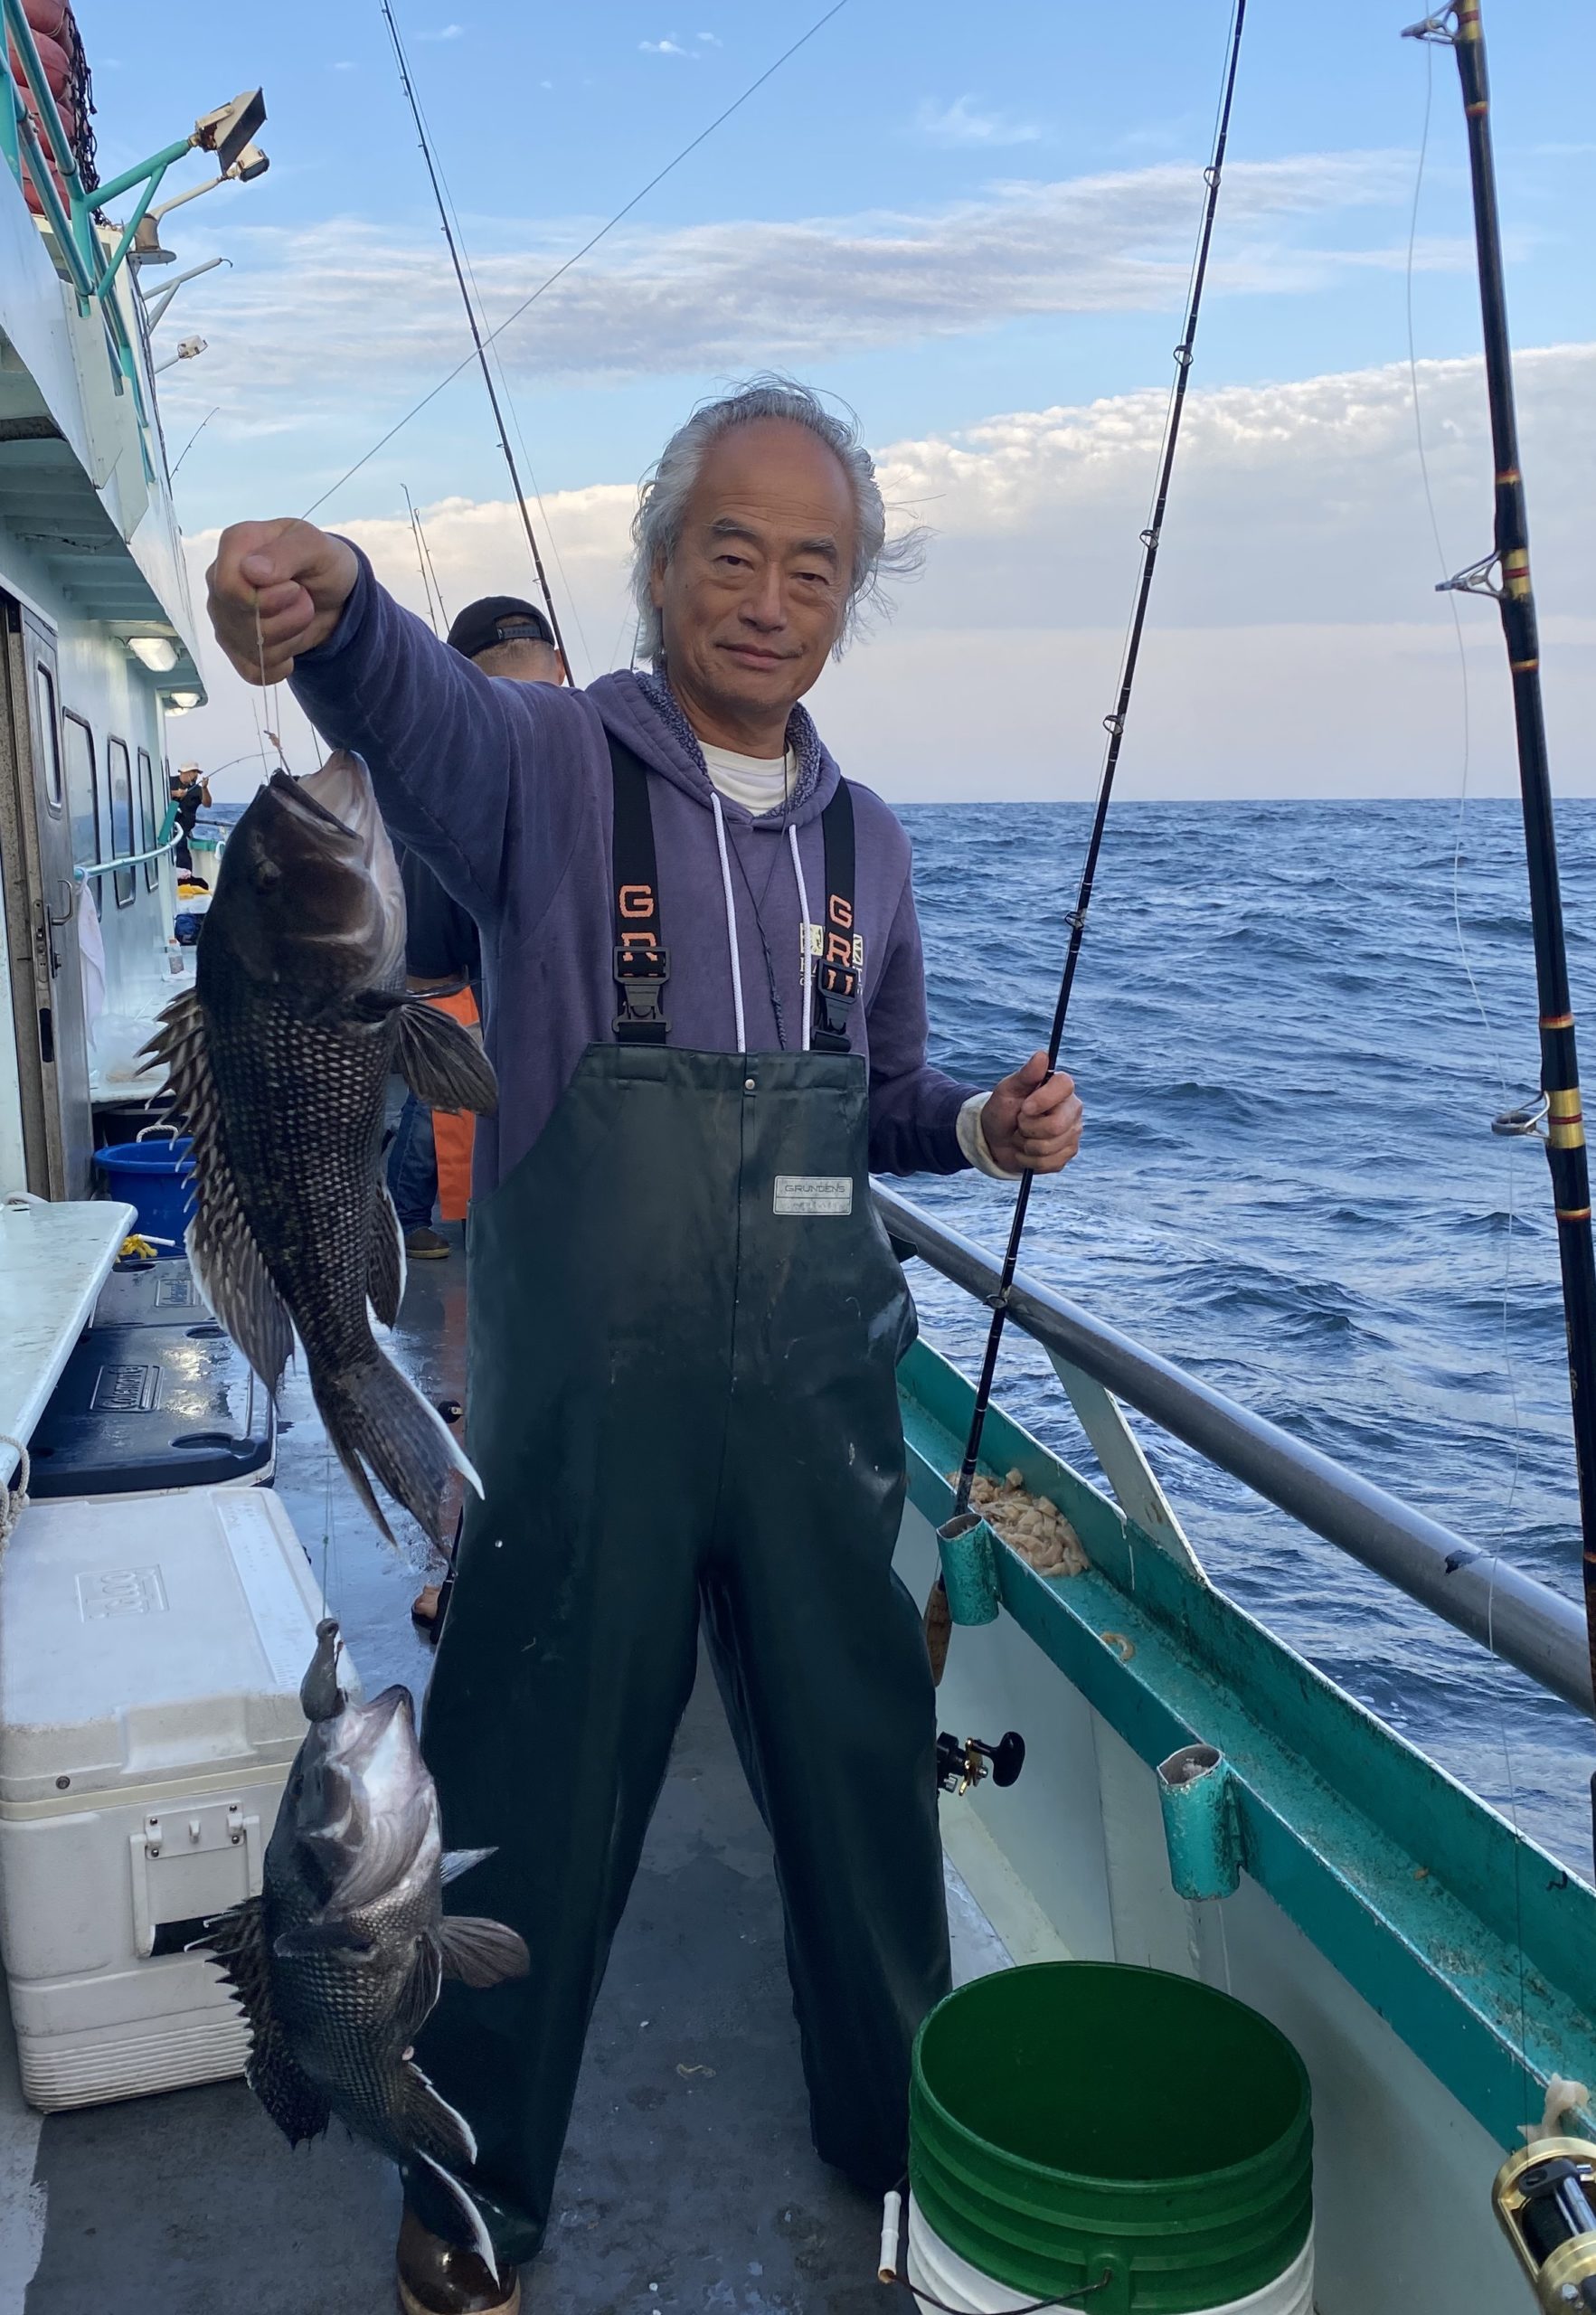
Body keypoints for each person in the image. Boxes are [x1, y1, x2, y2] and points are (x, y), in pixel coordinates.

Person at [205, 377, 1083, 2315]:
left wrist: (978, 1128)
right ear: (663, 561)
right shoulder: (542, 765)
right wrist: (335, 600)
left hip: (819, 1404)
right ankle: (470, 2180)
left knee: (862, 1772)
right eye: (731, 550)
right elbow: (409, 710)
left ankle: (903, 2140)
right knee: (528, 1772)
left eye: (814, 564)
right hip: (589, 1407)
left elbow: (876, 1089)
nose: (768, 595)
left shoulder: (871, 837)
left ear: (851, 597)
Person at [388, 597, 565, 1261]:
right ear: (562, 666)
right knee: (437, 1102)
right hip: (505, 981)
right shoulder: (595, 757)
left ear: (455, 677)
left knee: (436, 1095)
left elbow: (424, 953)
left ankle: (416, 1218)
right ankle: (410, 1218)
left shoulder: (440, 762)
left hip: (450, 969)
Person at [168, 761, 211, 874]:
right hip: (168, 828)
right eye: (194, 772)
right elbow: (157, 791)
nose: (196, 775)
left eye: (197, 772)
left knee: (184, 861)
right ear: (184, 772)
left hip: (184, 832)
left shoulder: (197, 789)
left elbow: (207, 804)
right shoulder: (169, 781)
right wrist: (175, 794)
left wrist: (205, 788)